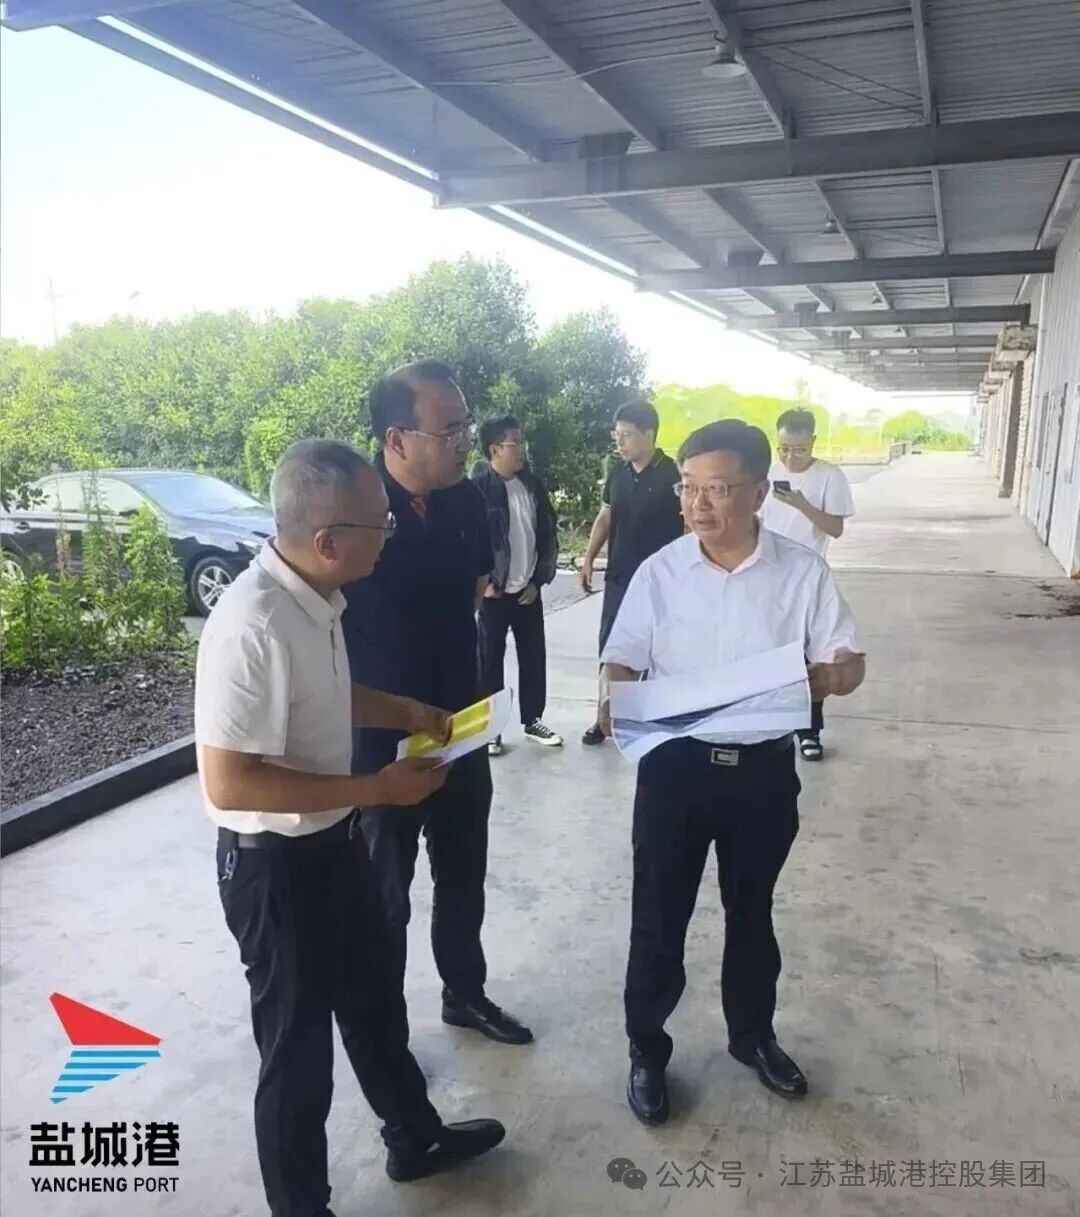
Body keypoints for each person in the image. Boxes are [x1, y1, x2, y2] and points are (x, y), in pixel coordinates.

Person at [196, 439, 506, 1217]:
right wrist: (376, 788)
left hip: (333, 846)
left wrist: (406, 711)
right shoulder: (252, 623)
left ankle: (414, 1136)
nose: (390, 537)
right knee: (297, 1055)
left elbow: (327, 693)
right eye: (381, 525)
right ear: (329, 539)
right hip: (274, 868)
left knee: (373, 1008)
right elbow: (230, 781)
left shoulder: (318, 595)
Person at [600, 420, 865, 1126]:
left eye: (715, 489)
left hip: (762, 776)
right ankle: (647, 1049)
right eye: (688, 487)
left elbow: (850, 661)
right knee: (659, 917)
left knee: (752, 913)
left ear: (757, 492)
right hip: (675, 771)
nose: (696, 503)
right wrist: (614, 695)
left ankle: (753, 1037)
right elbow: (623, 656)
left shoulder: (801, 572)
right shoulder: (661, 572)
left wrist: (827, 677)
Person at [342, 361, 533, 1047]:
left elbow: (477, 591)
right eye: (448, 429)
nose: (464, 441)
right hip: (378, 739)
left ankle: (465, 993)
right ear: (396, 438)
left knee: (463, 873)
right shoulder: (352, 508)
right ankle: (384, 1039)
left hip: (459, 721)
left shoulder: (465, 501)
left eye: (465, 426)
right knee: (382, 896)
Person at [579, 398, 683, 745]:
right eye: (617, 435)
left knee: (657, 650)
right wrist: (589, 557)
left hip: (661, 583)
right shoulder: (618, 473)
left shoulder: (673, 476)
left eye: (626, 434)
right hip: (620, 578)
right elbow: (606, 516)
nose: (620, 442)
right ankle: (605, 716)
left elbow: (688, 528)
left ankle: (649, 717)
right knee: (612, 648)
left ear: (649, 434)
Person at [759, 407, 856, 761]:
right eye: (783, 448)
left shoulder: (830, 476)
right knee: (767, 650)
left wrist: (802, 505)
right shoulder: (767, 475)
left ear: (813, 442)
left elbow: (835, 529)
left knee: (809, 656)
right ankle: (769, 723)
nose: (790, 457)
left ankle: (809, 731)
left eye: (799, 449)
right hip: (766, 575)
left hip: (807, 581)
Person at [472, 414, 562, 756]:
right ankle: (491, 730)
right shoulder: (477, 489)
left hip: (527, 591)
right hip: (494, 594)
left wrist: (539, 580)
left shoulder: (531, 485)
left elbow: (547, 533)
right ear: (494, 449)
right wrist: (482, 582)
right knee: (489, 662)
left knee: (533, 656)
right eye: (515, 443)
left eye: (521, 442)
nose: (521, 449)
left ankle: (533, 720)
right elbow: (469, 541)